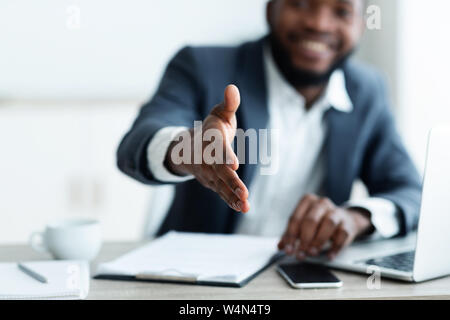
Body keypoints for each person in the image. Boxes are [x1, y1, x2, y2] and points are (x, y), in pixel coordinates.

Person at [117, 0, 422, 261]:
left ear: (360, 25)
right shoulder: (202, 65)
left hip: (307, 276)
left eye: (341, 11)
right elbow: (137, 143)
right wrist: (187, 150)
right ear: (270, 9)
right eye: (300, 3)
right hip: (199, 278)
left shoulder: (367, 90)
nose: (318, 23)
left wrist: (356, 218)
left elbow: (409, 191)